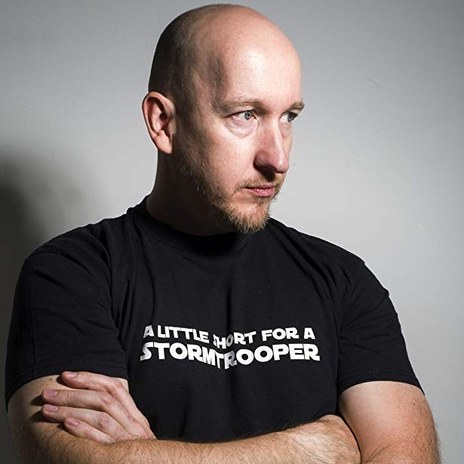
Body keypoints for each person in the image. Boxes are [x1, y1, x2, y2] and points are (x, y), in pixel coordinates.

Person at [6, 4, 439, 463]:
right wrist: (311, 448)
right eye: (245, 115)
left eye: (288, 117)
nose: (277, 159)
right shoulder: (71, 273)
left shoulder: (343, 280)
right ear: (163, 122)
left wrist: (149, 454)